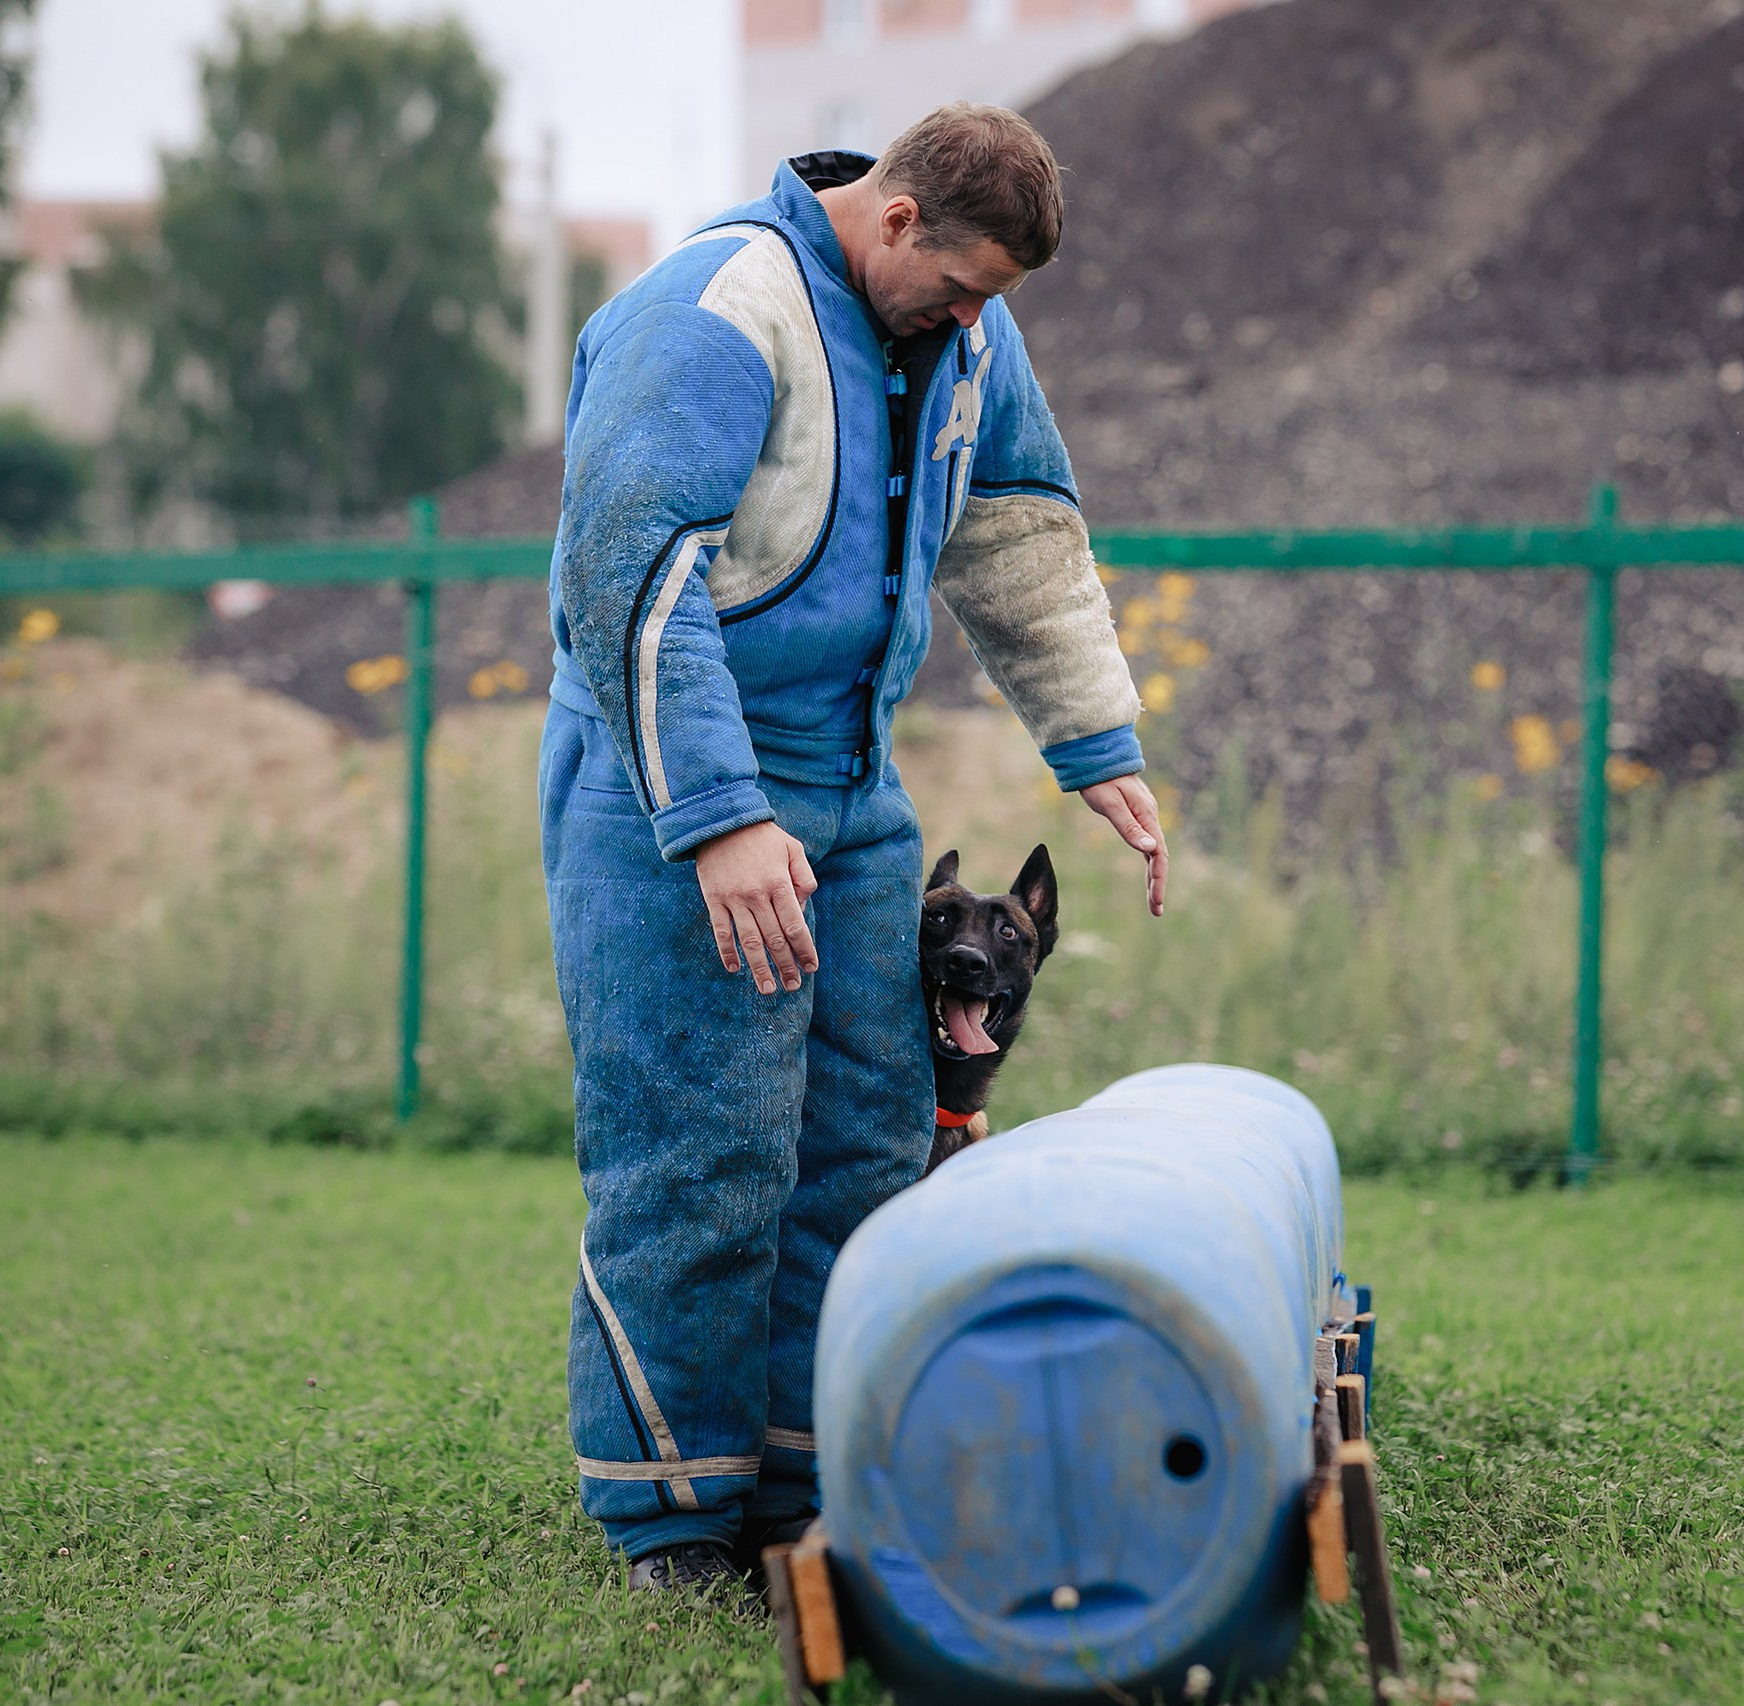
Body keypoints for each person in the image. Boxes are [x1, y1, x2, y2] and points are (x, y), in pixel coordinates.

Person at [539, 102, 1167, 1592]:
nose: (977, 324)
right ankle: (673, 1514)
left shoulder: (965, 335)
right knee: (703, 1154)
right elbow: (624, 568)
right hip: (665, 779)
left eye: (994, 304)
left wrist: (1098, 743)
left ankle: (802, 1487)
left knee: (866, 1146)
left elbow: (1017, 528)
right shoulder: (712, 309)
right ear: (894, 220)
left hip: (852, 786)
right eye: (962, 290)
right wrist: (721, 814)